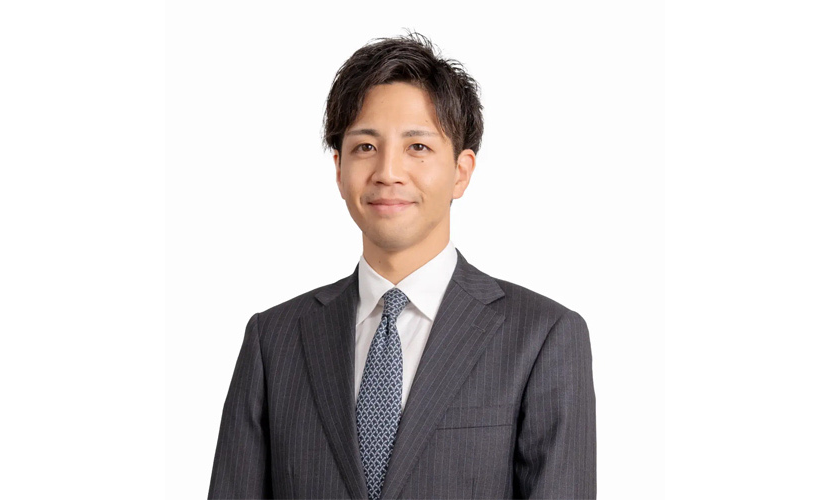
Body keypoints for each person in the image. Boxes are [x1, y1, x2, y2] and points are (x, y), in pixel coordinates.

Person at [208, 32, 596, 499]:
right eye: (365, 147)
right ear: (339, 169)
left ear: (461, 172)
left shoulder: (542, 336)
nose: (388, 172)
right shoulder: (273, 340)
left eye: (418, 147)